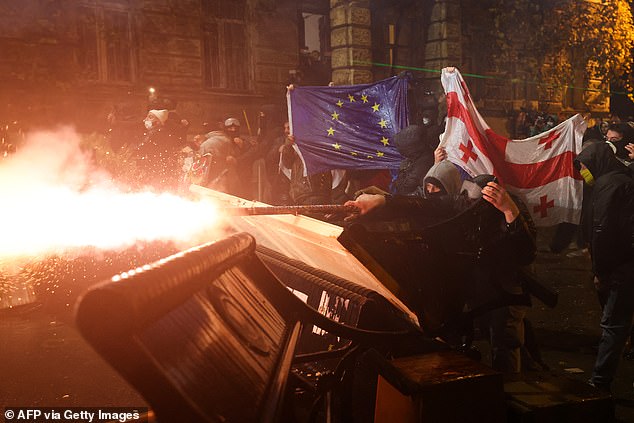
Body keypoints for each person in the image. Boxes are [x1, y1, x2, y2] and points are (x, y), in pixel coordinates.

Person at [345, 162, 537, 373]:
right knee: (497, 335)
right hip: (483, 285)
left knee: (505, 340)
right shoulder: (467, 204)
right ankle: (527, 371)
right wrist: (384, 201)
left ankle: (509, 390)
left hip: (508, 287)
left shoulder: (509, 207)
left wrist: (510, 212)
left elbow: (525, 252)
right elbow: (429, 205)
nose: (470, 207)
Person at [575, 142, 634, 393]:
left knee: (614, 325)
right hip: (627, 262)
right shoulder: (623, 179)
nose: (583, 171)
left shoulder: (608, 185)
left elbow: (603, 232)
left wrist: (600, 271)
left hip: (622, 268)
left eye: (585, 166)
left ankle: (600, 383)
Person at [134, 109, 180, 190]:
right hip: (158, 166)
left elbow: (141, 147)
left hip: (151, 166)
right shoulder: (162, 132)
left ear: (158, 121)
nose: (146, 119)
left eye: (150, 117)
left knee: (149, 188)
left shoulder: (154, 133)